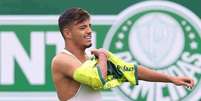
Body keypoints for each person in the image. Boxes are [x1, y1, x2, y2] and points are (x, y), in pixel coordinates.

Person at [51, 8, 194, 101]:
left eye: (90, 26)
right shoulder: (62, 60)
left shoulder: (91, 59)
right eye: (82, 27)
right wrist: (102, 56)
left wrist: (171, 79)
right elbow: (97, 79)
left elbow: (132, 71)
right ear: (68, 33)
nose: (89, 31)